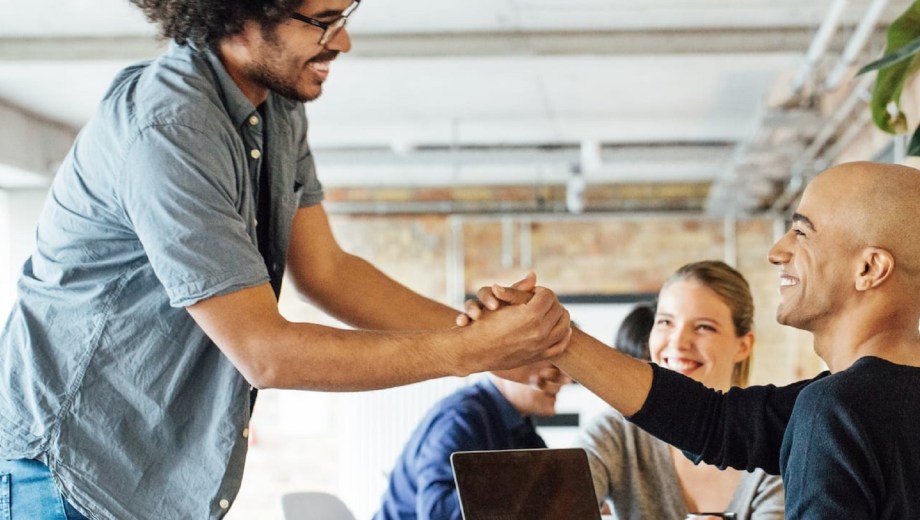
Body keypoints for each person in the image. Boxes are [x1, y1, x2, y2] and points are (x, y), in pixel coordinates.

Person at [0, 1, 572, 518]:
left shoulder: (276, 108)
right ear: (240, 13)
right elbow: (265, 353)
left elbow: (328, 273)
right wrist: (468, 351)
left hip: (144, 482)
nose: (341, 42)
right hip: (62, 477)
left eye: (344, 17)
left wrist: (491, 345)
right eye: (322, 20)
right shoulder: (171, 127)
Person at [466, 161, 920, 519]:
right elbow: (712, 422)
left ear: (869, 268)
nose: (777, 251)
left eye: (802, 232)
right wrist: (555, 337)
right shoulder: (849, 404)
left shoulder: (836, 409)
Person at [579, 261, 784, 519]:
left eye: (703, 327)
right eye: (665, 322)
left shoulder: (772, 445)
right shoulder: (617, 432)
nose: (677, 342)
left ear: (743, 345)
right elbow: (553, 506)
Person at [373, 363, 571, 520]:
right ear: (512, 362)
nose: (566, 380)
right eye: (554, 366)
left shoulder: (520, 426)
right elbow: (436, 513)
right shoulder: (461, 418)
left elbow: (547, 487)